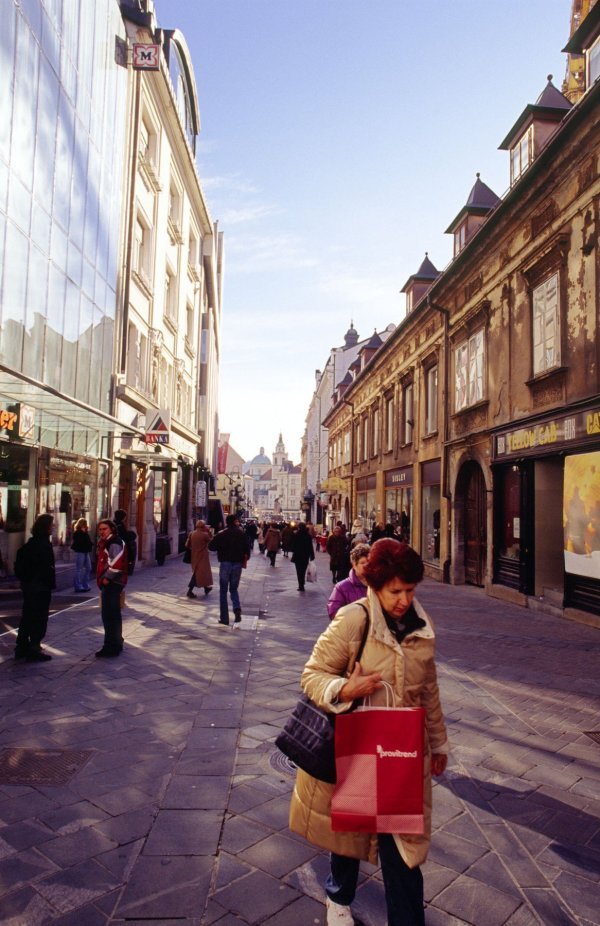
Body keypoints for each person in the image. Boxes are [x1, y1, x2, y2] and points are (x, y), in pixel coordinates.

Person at [289, 539, 448, 926]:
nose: (404, 601)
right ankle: (338, 897)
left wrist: (438, 742)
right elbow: (312, 675)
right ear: (376, 585)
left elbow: (428, 690)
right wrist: (345, 689)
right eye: (396, 591)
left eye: (410, 591)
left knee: (403, 851)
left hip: (402, 752)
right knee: (350, 833)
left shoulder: (420, 627)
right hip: (358, 745)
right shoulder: (353, 618)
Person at [14, 514, 56, 661]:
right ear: (46, 527)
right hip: (40, 587)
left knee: (27, 616)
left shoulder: (30, 544)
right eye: (51, 525)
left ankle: (21, 646)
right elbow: (45, 567)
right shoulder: (43, 545)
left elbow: (20, 565)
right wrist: (46, 581)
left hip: (30, 586)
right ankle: (34, 648)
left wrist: (25, 580)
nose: (53, 527)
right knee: (39, 618)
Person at [208, 514, 250, 626]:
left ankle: (224, 618)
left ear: (226, 522)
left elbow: (211, 547)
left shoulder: (222, 534)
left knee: (223, 591)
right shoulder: (242, 534)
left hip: (225, 563)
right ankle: (236, 609)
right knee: (234, 589)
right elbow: (248, 550)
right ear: (235, 521)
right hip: (237, 564)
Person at [95, 519, 128, 657]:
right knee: (114, 615)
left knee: (109, 616)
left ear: (112, 529)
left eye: (105, 529)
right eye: (100, 529)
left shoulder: (113, 542)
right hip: (113, 583)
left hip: (113, 583)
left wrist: (107, 579)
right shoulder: (109, 542)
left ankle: (110, 646)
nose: (102, 532)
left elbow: (117, 563)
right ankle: (117, 642)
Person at [327, 542, 370, 619]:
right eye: (362, 563)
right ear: (354, 564)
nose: (366, 566)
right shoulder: (341, 587)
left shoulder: (378, 585)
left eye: (369, 562)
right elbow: (333, 612)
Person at [186, 520, 213, 598]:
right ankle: (189, 591)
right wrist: (209, 532)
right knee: (198, 574)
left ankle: (206, 588)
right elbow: (211, 541)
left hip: (194, 556)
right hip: (202, 557)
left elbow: (187, 545)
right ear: (203, 526)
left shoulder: (192, 533)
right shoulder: (204, 535)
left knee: (200, 573)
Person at [290, 521, 315, 591]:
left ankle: (300, 585)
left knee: (299, 571)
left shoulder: (296, 535)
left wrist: (293, 550)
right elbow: (310, 547)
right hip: (305, 556)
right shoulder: (308, 536)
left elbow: (293, 545)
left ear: (299, 527)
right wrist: (312, 555)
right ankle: (302, 582)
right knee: (303, 570)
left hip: (297, 556)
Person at [71, 518, 93, 592]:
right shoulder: (77, 532)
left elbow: (87, 541)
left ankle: (85, 584)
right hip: (80, 552)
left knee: (89, 568)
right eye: (85, 524)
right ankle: (78, 586)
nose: (86, 525)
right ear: (82, 524)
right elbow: (80, 542)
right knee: (78, 569)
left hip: (85, 551)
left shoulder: (85, 532)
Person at [114, 509, 137, 576]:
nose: (125, 519)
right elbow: (124, 535)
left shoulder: (114, 523)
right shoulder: (120, 525)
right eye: (124, 517)